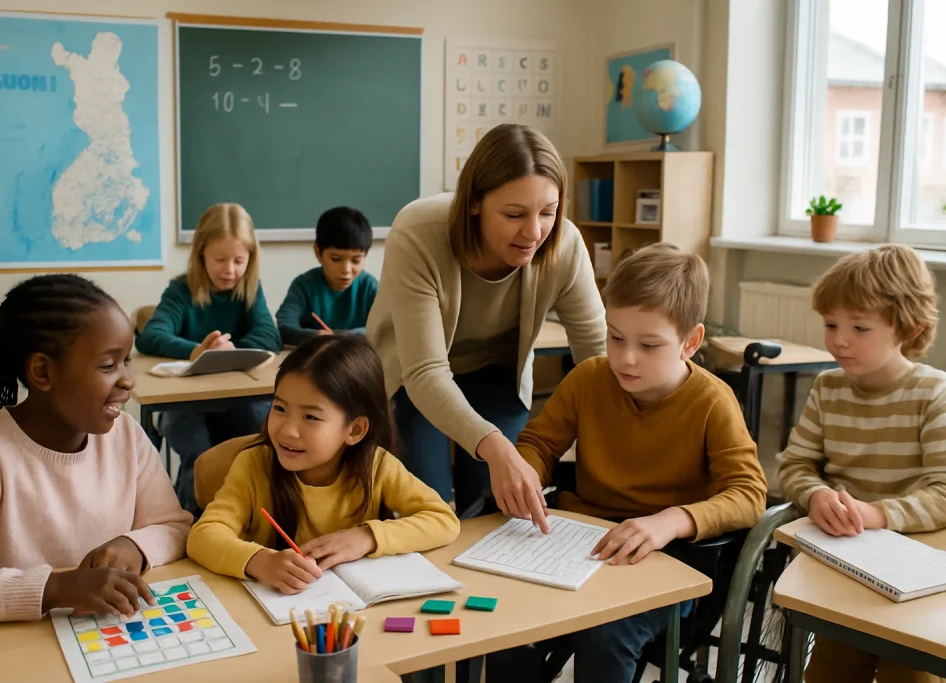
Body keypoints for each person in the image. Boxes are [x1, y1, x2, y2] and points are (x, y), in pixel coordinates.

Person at [484, 243, 767, 683]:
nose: (626, 357)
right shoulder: (588, 378)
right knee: (508, 618)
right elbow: (539, 443)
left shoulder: (712, 401)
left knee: (604, 632)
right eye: (615, 337)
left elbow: (749, 495)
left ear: (690, 342)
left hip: (667, 559)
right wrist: (523, 473)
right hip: (577, 543)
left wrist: (671, 521)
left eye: (649, 345)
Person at [367, 123, 607, 514]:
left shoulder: (564, 245)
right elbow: (426, 370)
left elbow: (596, 356)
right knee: (427, 507)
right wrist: (494, 446)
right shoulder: (419, 233)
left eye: (548, 212)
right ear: (474, 201)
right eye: (514, 214)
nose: (534, 232)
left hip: (497, 374)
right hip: (414, 378)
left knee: (495, 507)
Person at [0, 275, 191, 623]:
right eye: (108, 365)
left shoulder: (127, 436)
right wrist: (57, 588)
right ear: (42, 371)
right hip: (14, 649)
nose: (128, 380)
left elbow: (175, 526)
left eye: (126, 360)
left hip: (102, 641)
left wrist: (135, 547)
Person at [777, 244, 946, 683]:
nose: (839, 339)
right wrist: (815, 494)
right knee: (833, 667)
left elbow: (944, 493)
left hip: (918, 571)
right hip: (843, 560)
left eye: (859, 327)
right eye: (831, 323)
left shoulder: (934, 394)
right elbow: (794, 464)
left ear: (909, 329)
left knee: (909, 670)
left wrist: (877, 514)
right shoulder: (828, 387)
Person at [186, 334, 460, 591]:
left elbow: (443, 520)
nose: (287, 430)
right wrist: (260, 561)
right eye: (279, 408)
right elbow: (203, 535)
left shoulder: (377, 466)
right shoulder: (254, 465)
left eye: (311, 417)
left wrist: (367, 537)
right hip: (280, 611)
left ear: (354, 430)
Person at [136, 203, 282, 513]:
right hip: (187, 402)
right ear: (201, 254)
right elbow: (151, 335)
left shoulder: (250, 289)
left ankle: (249, 514)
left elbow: (269, 336)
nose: (230, 270)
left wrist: (232, 351)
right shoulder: (181, 291)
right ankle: (193, 515)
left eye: (239, 260)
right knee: (195, 448)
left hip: (239, 398)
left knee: (260, 435)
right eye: (220, 259)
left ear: (250, 259)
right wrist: (197, 352)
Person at [276, 206, 379, 345]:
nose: (346, 270)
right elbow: (283, 327)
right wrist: (315, 336)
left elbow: (383, 328)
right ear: (318, 252)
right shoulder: (303, 286)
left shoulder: (369, 286)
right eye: (336, 259)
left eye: (356, 260)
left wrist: (341, 336)